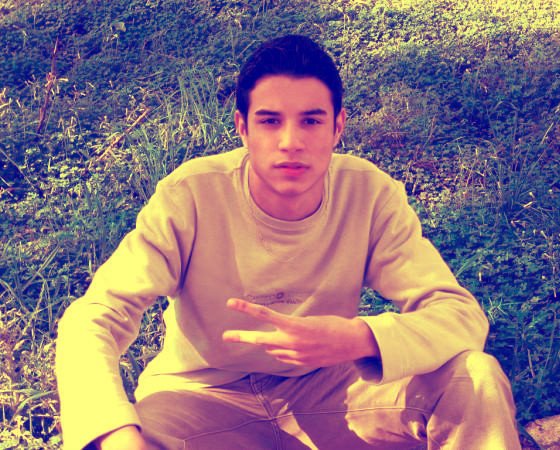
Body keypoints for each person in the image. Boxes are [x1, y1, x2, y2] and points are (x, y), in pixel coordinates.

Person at [55, 34, 521, 450]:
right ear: (242, 128)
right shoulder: (191, 196)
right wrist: (116, 437)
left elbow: (458, 315)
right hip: (201, 399)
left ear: (338, 127)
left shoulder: (369, 194)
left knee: (473, 379)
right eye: (270, 121)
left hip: (332, 393)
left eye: (311, 121)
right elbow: (92, 318)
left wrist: (358, 338)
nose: (290, 142)